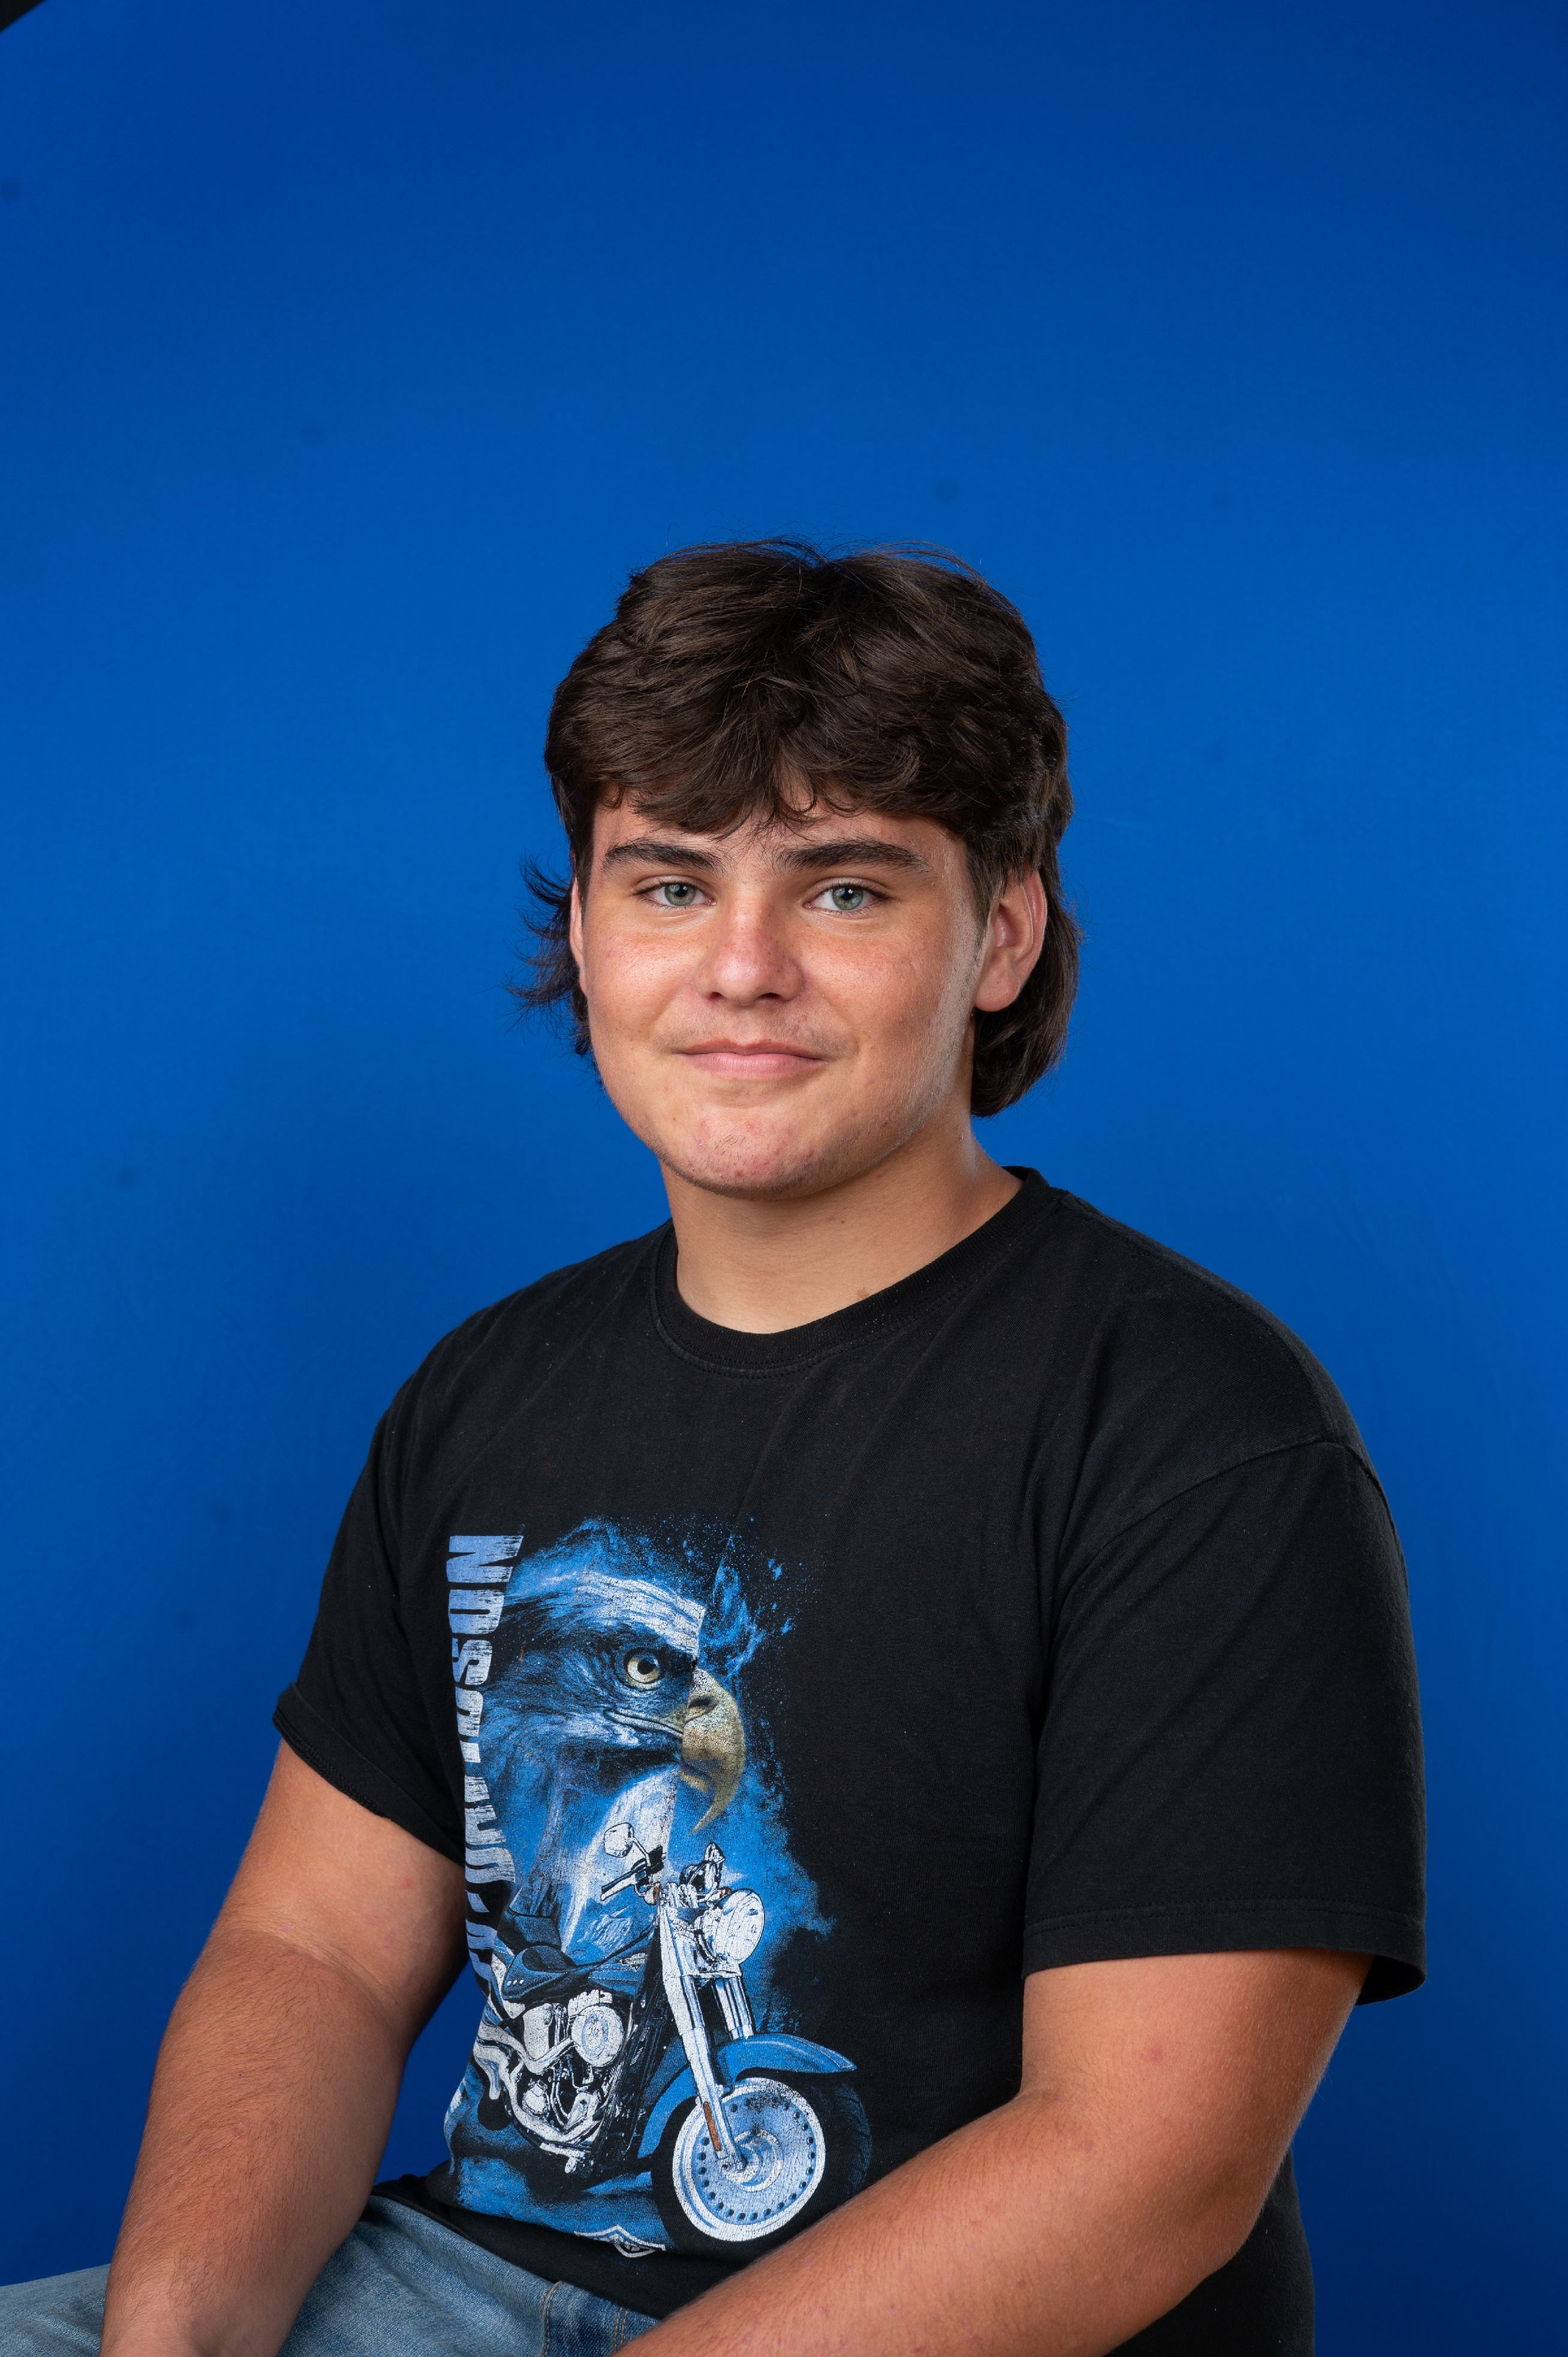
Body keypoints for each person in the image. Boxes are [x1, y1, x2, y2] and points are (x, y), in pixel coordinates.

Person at [1, 542, 1425, 2357]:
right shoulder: (486, 1392)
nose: (742, 968)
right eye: (672, 883)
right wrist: (170, 2350)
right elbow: (317, 1952)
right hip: (467, 2288)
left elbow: (1142, 2164)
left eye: (845, 888)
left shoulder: (1198, 1430)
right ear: (589, 936)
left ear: (1002, 935)